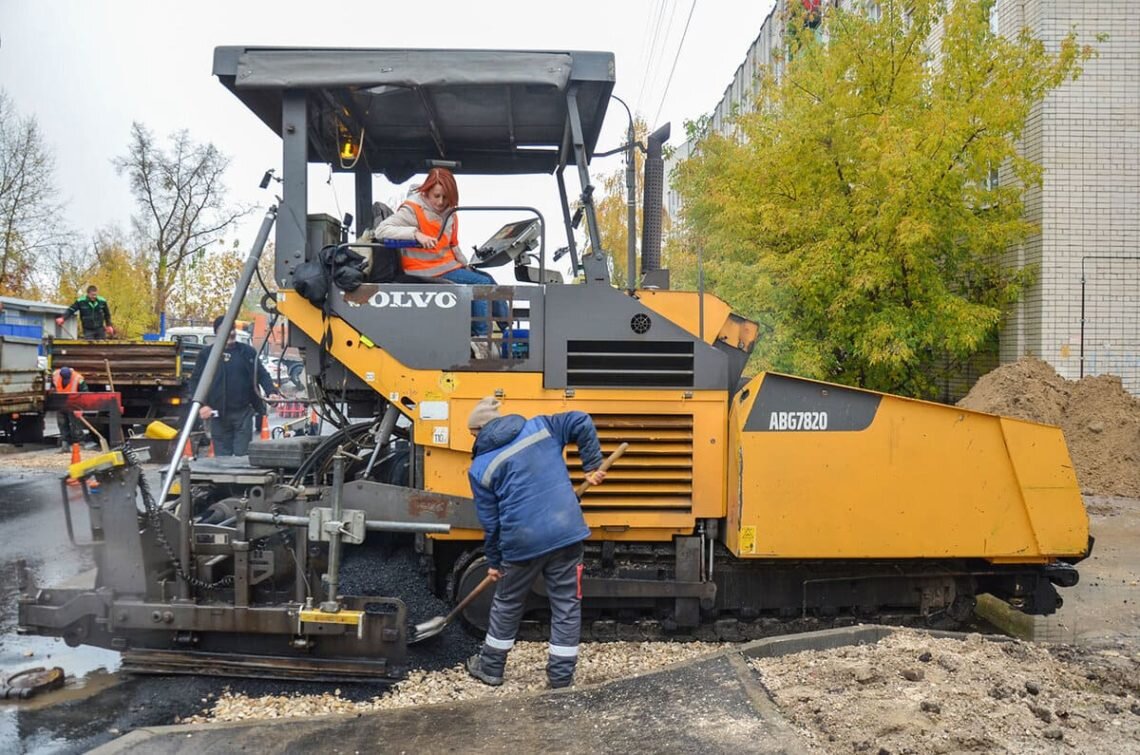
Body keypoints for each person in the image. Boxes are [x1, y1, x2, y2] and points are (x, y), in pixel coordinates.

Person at [464, 396, 607, 689]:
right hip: (566, 533)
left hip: (522, 544)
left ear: (481, 430)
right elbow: (580, 418)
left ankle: (490, 668)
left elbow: (491, 523)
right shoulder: (542, 427)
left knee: (507, 602)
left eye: (472, 435)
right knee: (566, 605)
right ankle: (560, 679)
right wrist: (591, 465)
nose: (473, 440)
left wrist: (493, 562)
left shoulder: (480, 468)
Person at [374, 167, 509, 356]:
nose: (441, 202)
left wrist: (466, 266)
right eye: (437, 196)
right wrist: (416, 234)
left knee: (489, 280)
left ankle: (509, 333)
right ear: (426, 191)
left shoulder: (451, 212)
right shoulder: (412, 209)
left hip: (446, 265)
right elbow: (382, 230)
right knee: (481, 284)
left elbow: (453, 245)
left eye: (445, 197)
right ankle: (481, 342)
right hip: (424, 269)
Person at [187, 316, 281, 456]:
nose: (230, 333)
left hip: (243, 414)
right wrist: (202, 405)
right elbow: (195, 382)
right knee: (222, 459)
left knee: (242, 457)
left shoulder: (247, 352)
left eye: (232, 329)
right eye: (225, 330)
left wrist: (271, 392)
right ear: (216, 333)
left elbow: (261, 374)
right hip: (218, 416)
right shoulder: (206, 355)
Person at [50, 366, 87, 452]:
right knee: (62, 424)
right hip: (61, 404)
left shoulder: (78, 378)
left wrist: (81, 408)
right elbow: (52, 386)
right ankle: (65, 446)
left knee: (76, 425)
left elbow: (85, 393)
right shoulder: (55, 375)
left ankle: (80, 444)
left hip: (74, 404)